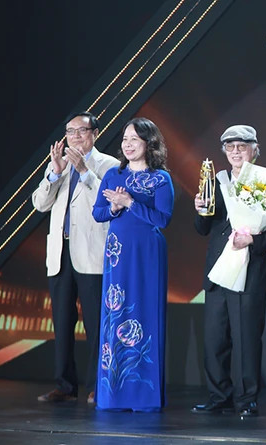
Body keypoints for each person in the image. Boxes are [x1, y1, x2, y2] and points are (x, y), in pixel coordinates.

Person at [191, 125, 266, 418]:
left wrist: (253, 241)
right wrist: (200, 209)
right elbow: (202, 229)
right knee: (215, 339)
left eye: (241, 147)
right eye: (230, 147)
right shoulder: (216, 182)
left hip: (250, 270)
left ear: (255, 150)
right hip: (218, 271)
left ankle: (247, 400)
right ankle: (219, 396)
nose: (235, 152)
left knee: (246, 339)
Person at [32, 111, 120, 404]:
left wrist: (84, 171)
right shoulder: (58, 164)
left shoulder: (110, 165)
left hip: (92, 253)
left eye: (81, 131)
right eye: (70, 132)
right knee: (62, 320)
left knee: (96, 323)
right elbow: (40, 204)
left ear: (95, 133)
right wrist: (54, 173)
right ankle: (65, 385)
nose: (75, 137)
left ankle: (97, 385)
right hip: (60, 253)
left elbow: (110, 202)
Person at [92, 117, 174, 412]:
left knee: (145, 311)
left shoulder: (161, 178)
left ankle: (144, 396)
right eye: (125, 139)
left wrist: (130, 204)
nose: (127, 144)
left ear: (149, 144)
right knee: (115, 313)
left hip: (147, 252)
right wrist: (113, 206)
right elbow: (98, 214)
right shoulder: (113, 175)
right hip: (117, 252)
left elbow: (162, 219)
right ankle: (113, 395)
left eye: (134, 140)